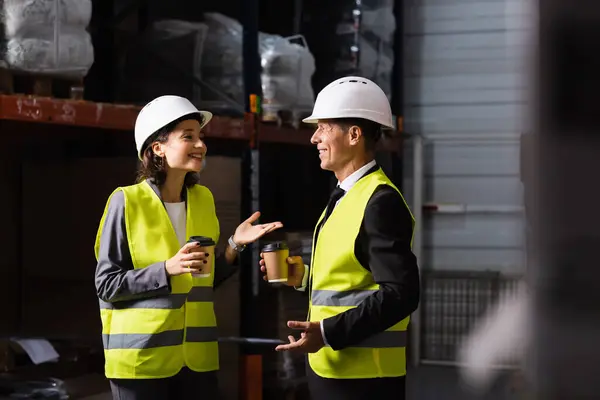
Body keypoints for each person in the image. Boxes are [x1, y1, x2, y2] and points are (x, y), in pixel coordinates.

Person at [94, 95, 283, 400]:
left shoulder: (204, 200)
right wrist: (166, 269)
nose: (201, 145)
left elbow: (202, 281)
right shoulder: (127, 202)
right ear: (157, 147)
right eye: (188, 137)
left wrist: (235, 245)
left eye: (201, 136)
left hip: (197, 363)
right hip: (142, 364)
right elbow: (107, 284)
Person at [259, 77, 420, 399]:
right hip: (336, 368)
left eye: (323, 128)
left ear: (354, 134)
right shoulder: (347, 195)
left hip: (364, 378)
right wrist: (302, 277)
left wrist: (329, 332)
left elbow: (401, 293)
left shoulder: (379, 200)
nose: (314, 138)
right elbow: (352, 279)